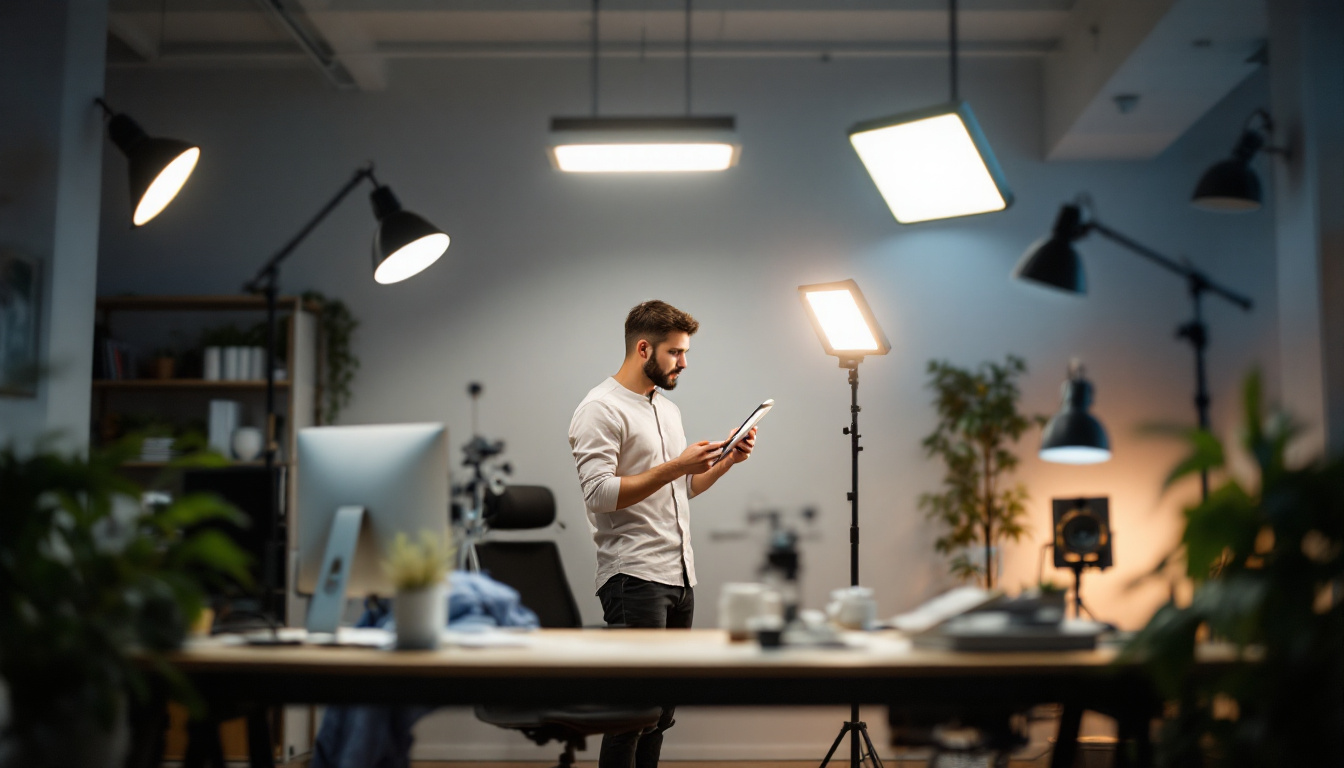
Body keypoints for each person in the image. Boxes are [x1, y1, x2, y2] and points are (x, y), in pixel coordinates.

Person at [568, 299, 757, 768]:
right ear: (644, 348)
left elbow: (681, 488)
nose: (684, 363)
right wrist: (675, 464)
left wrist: (725, 461)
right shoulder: (599, 409)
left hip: (678, 576)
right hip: (634, 578)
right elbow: (600, 495)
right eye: (676, 353)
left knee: (661, 715)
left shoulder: (666, 410)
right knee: (632, 716)